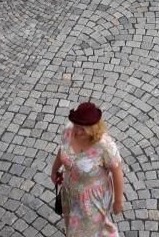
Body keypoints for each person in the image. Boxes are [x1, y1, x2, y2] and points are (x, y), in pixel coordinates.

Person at [51, 101, 124, 236]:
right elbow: (62, 150)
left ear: (93, 129)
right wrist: (54, 170)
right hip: (69, 192)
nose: (78, 132)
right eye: (76, 126)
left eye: (83, 129)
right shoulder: (69, 130)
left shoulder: (105, 146)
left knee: (88, 232)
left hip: (92, 199)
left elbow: (117, 171)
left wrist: (118, 202)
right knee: (72, 226)